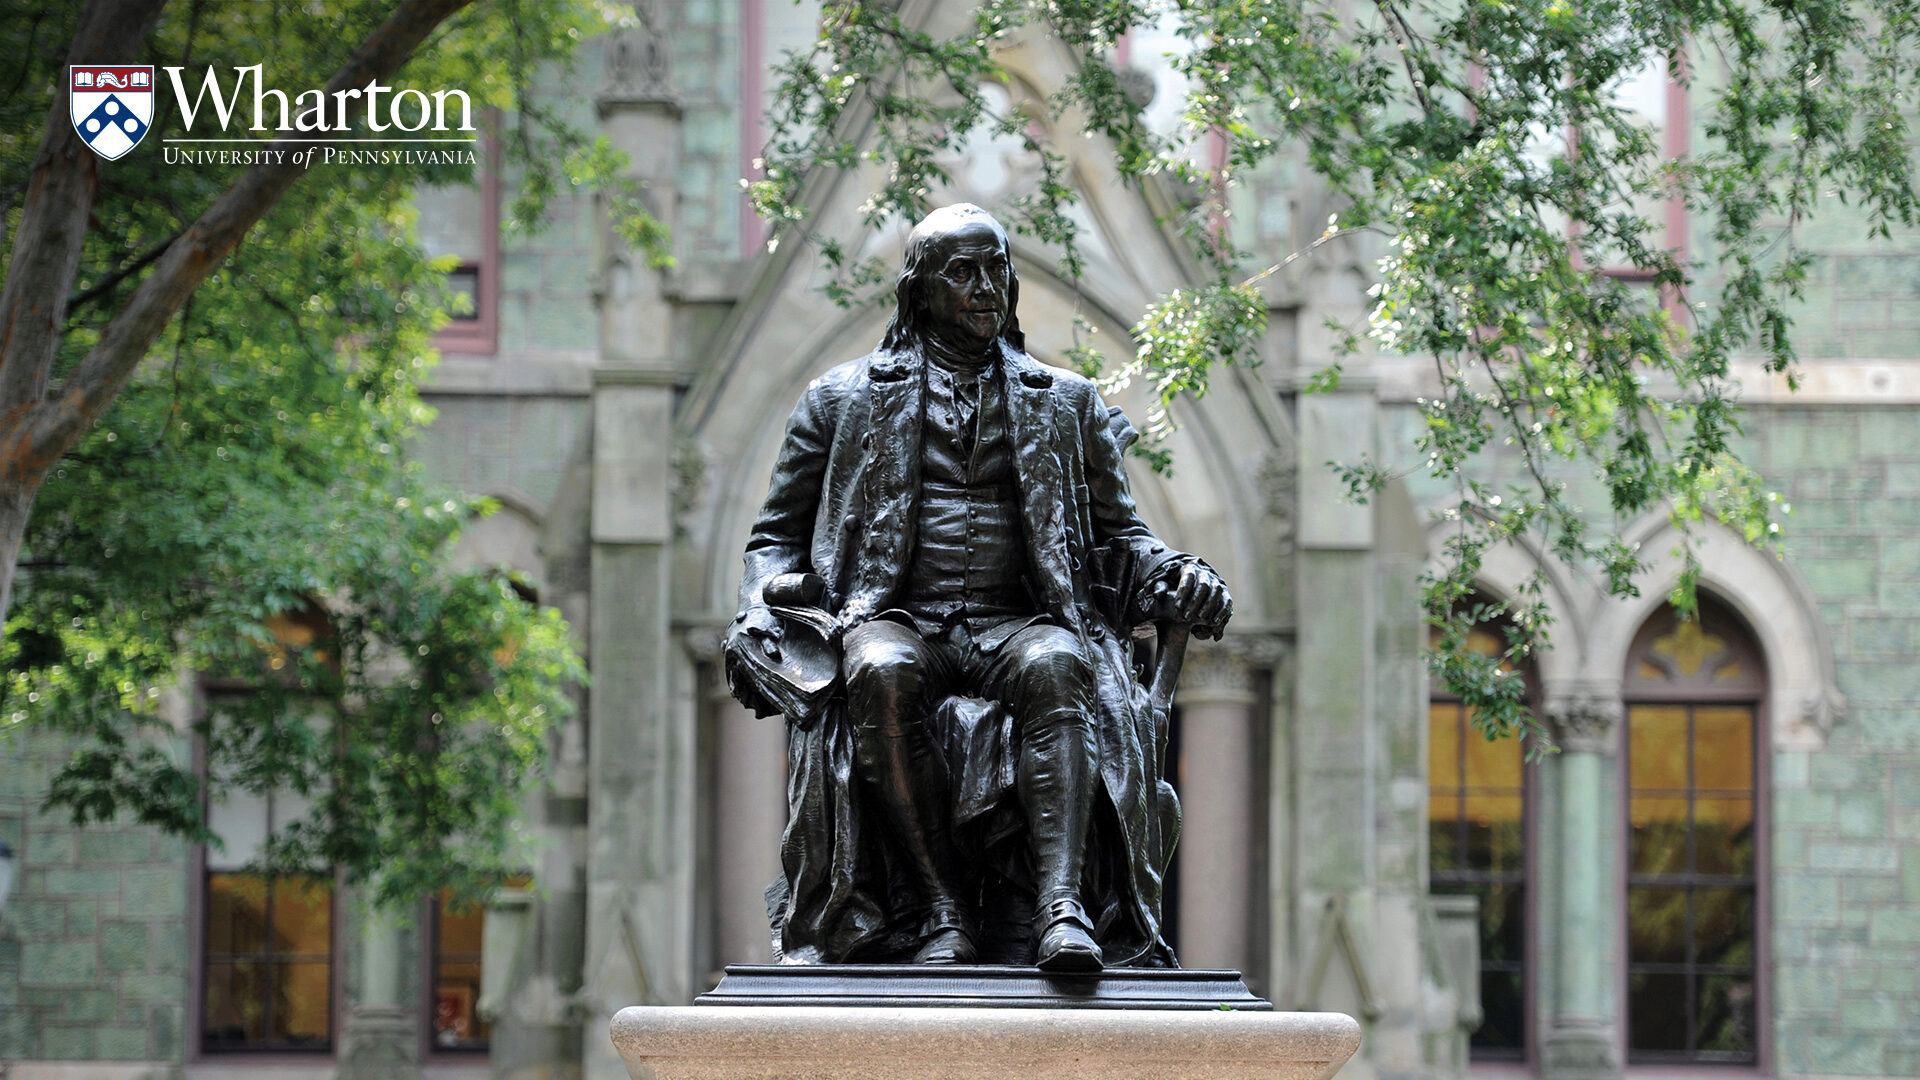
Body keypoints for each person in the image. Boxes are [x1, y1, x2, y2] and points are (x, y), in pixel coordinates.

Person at [725, 204, 1230, 971]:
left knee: (1059, 663)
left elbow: (1124, 539)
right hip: (896, 617)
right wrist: (763, 606)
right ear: (918, 290)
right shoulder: (841, 398)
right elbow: (771, 538)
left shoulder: (1066, 401)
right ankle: (942, 909)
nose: (986, 286)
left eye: (997, 268)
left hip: (1018, 621)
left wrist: (1176, 574)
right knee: (880, 672)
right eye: (963, 272)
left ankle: (1061, 912)